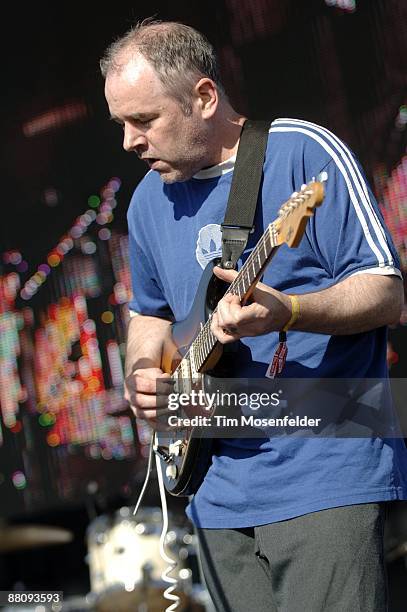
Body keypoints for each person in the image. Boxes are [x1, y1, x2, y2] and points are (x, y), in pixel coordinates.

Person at [101, 19, 407, 612]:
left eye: (144, 120)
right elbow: (149, 313)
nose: (130, 143)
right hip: (214, 492)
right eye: (121, 124)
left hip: (324, 471)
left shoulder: (302, 152)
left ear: (205, 97)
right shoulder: (145, 202)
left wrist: (289, 310)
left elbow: (387, 292)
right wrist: (144, 368)